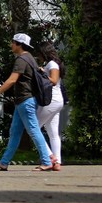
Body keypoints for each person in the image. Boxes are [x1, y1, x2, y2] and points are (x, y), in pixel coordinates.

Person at [0, 33, 53, 172]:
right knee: (15, 133)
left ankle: (46, 162)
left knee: (34, 130)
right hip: (23, 101)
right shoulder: (30, 59)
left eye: (13, 42)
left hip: (26, 100)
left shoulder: (22, 59)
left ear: (19, 44)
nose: (11, 45)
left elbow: (12, 80)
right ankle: (4, 163)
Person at [34, 41, 65, 170]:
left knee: (34, 128)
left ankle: (50, 157)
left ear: (44, 52)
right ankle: (57, 162)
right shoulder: (52, 64)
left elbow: (53, 80)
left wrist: (42, 72)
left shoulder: (52, 64)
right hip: (57, 100)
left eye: (39, 53)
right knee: (52, 132)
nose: (38, 56)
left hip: (51, 100)